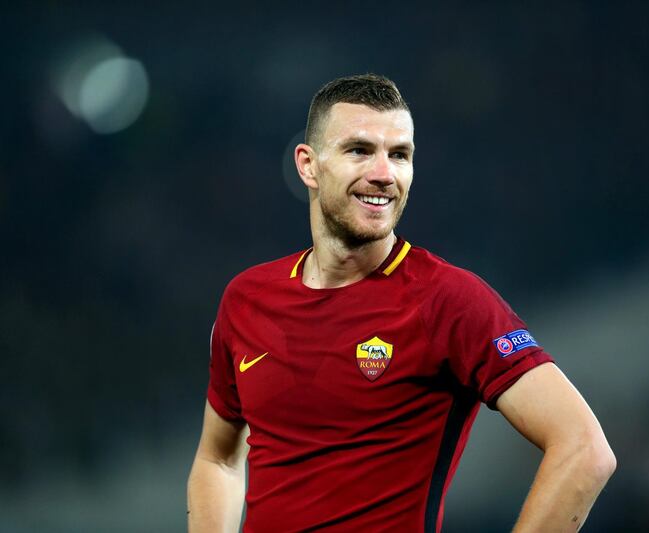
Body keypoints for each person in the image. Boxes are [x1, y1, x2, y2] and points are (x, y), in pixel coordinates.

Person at [187, 74, 615, 533]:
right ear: (308, 166)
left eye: (400, 155)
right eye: (359, 150)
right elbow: (218, 459)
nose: (383, 173)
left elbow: (584, 450)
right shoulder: (247, 299)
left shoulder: (448, 300)